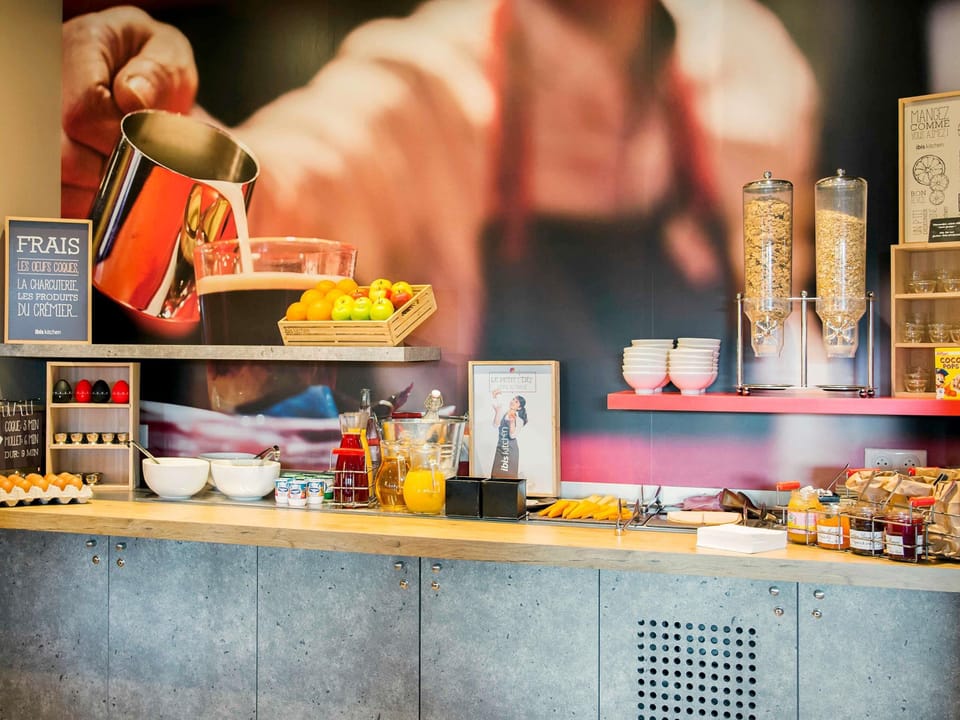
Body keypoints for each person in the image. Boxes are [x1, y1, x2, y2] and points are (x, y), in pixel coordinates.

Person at [61, 0, 819, 482]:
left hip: (726, 532)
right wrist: (152, 154)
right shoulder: (419, 85)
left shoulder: (756, 68)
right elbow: (291, 189)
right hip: (502, 540)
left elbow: (790, 324)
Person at [490, 389, 527, 478]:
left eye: (516, 401)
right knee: (496, 475)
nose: (513, 401)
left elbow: (512, 435)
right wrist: (497, 412)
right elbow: (495, 425)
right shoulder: (503, 413)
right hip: (501, 448)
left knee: (509, 477)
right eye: (513, 399)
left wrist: (512, 422)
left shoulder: (519, 420)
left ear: (519, 408)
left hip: (511, 450)